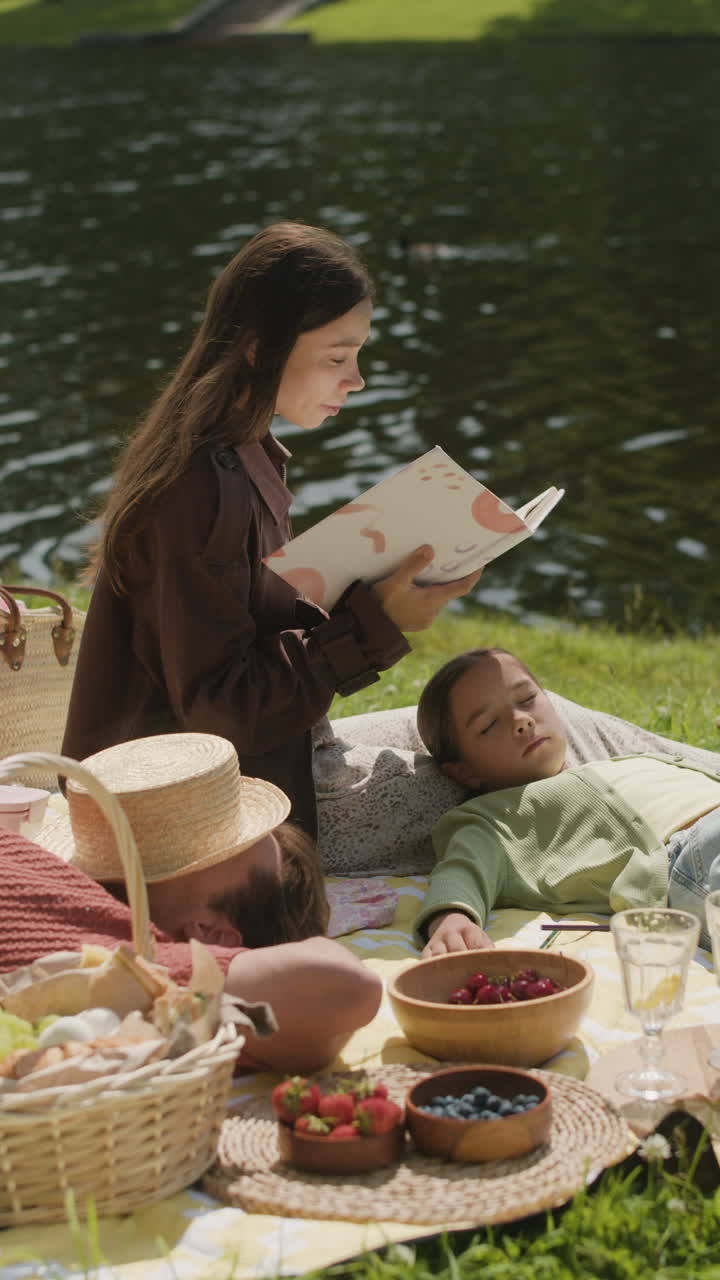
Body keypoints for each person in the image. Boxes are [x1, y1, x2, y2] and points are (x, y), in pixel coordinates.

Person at [62, 222, 480, 839]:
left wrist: (370, 598)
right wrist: (377, 624)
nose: (356, 379)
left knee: (530, 719)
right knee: (508, 782)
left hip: (259, 765)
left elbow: (244, 635)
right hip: (198, 819)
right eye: (337, 357)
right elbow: (225, 713)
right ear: (259, 348)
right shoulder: (201, 484)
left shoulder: (232, 450)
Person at [0, 732, 383, 1074]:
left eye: (224, 847)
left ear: (211, 937)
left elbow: (348, 986)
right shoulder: (51, 873)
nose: (200, 829)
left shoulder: (135, 973)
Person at [413, 647, 720, 956]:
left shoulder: (606, 763)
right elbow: (462, 868)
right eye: (489, 724)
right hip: (691, 855)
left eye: (527, 699)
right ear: (464, 771)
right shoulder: (496, 818)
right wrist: (450, 918)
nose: (522, 721)